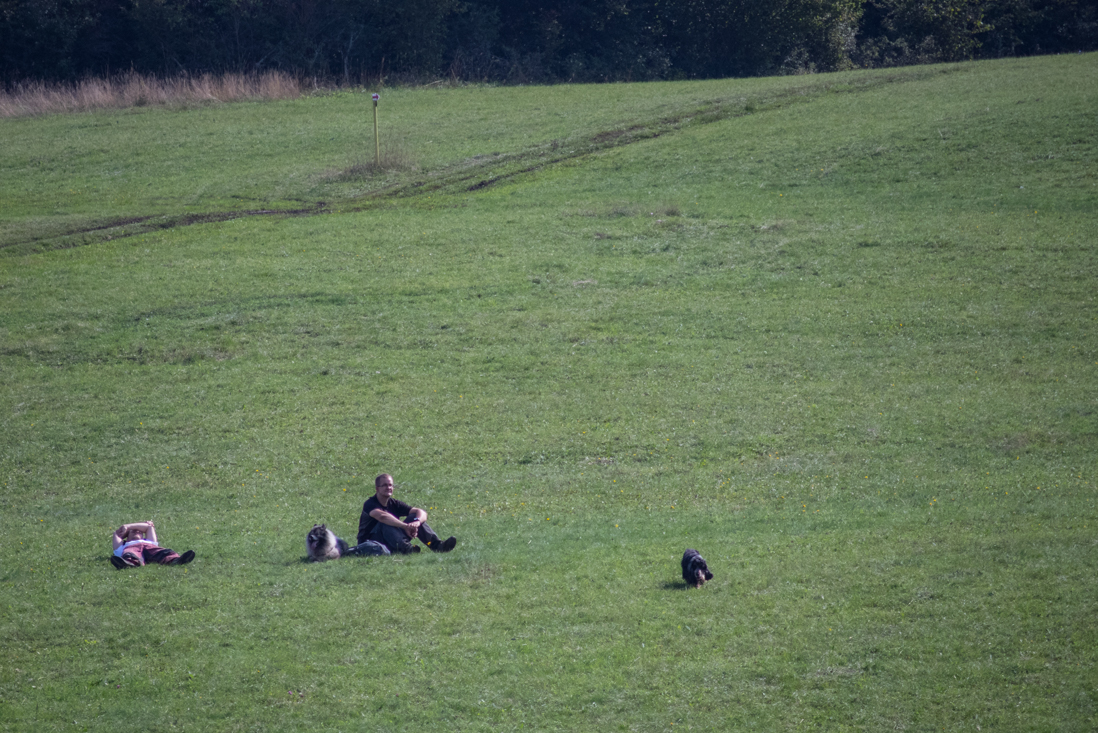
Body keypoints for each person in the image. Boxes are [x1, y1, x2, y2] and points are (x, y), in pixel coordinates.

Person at [357, 474, 457, 554]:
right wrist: (405, 526)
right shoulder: (370, 503)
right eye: (385, 485)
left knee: (414, 517)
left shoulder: (394, 503)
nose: (388, 487)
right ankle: (407, 549)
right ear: (377, 489)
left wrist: (416, 522)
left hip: (392, 540)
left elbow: (421, 512)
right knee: (385, 523)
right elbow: (382, 517)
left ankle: (438, 546)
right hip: (371, 543)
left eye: (390, 485)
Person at [111, 521, 194, 569]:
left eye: (140, 531)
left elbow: (149, 527)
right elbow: (117, 534)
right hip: (132, 550)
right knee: (130, 554)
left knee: (165, 552)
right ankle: (128, 563)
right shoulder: (123, 546)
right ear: (126, 535)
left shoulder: (149, 541)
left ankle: (177, 560)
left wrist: (128, 526)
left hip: (151, 549)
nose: (137, 531)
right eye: (133, 531)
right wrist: (124, 531)